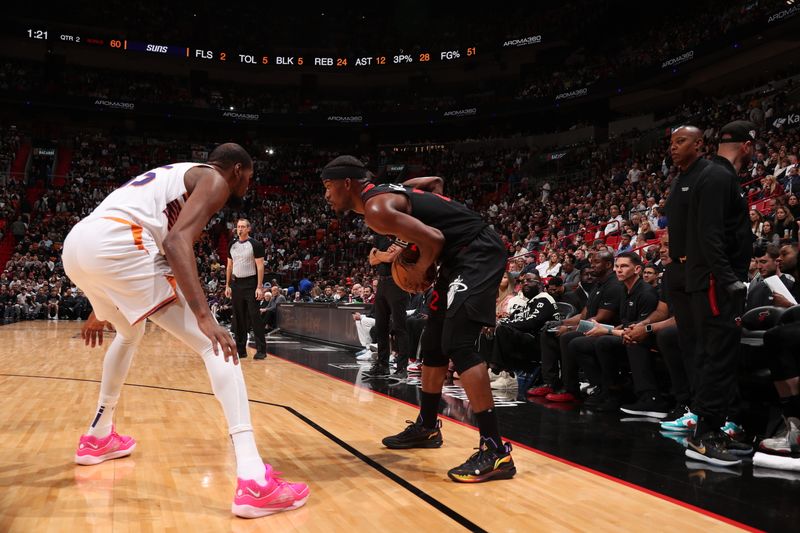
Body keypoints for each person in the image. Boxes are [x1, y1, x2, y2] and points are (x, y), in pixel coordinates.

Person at [62, 144, 308, 518]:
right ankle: (254, 480)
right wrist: (204, 316)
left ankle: (98, 435)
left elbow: (163, 245)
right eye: (250, 176)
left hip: (79, 246)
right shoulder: (213, 179)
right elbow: (177, 242)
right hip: (118, 244)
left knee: (129, 332)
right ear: (237, 169)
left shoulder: (172, 178)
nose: (249, 184)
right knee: (216, 345)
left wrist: (102, 306)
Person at [322, 155, 516, 483]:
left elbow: (435, 240)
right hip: (459, 256)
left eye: (328, 187)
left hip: (477, 252)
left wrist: (420, 267)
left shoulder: (376, 209)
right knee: (435, 339)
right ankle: (428, 427)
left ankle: (496, 450)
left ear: (347, 184)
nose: (326, 195)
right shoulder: (385, 193)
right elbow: (436, 184)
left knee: (458, 341)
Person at [684, 121, 757, 466]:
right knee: (717, 357)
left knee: (719, 356)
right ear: (747, 146)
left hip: (716, 280)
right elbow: (708, 234)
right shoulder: (718, 176)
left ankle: (710, 430)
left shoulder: (715, 175)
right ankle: (704, 437)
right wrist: (729, 279)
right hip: (717, 283)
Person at [365, 232, 410, 379]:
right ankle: (382, 365)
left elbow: (391, 257)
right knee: (380, 327)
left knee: (399, 327)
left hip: (397, 283)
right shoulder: (379, 236)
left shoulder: (403, 234)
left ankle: (402, 367)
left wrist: (377, 253)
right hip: (382, 283)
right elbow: (371, 260)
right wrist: (381, 255)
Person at [225, 219, 267, 360]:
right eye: (238, 227)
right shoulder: (232, 244)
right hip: (236, 284)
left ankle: (262, 350)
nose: (240, 229)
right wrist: (227, 285)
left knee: (254, 317)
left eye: (243, 227)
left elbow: (260, 266)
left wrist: (259, 287)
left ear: (249, 229)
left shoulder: (255, 244)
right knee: (238, 318)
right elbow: (229, 266)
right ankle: (241, 350)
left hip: (251, 283)